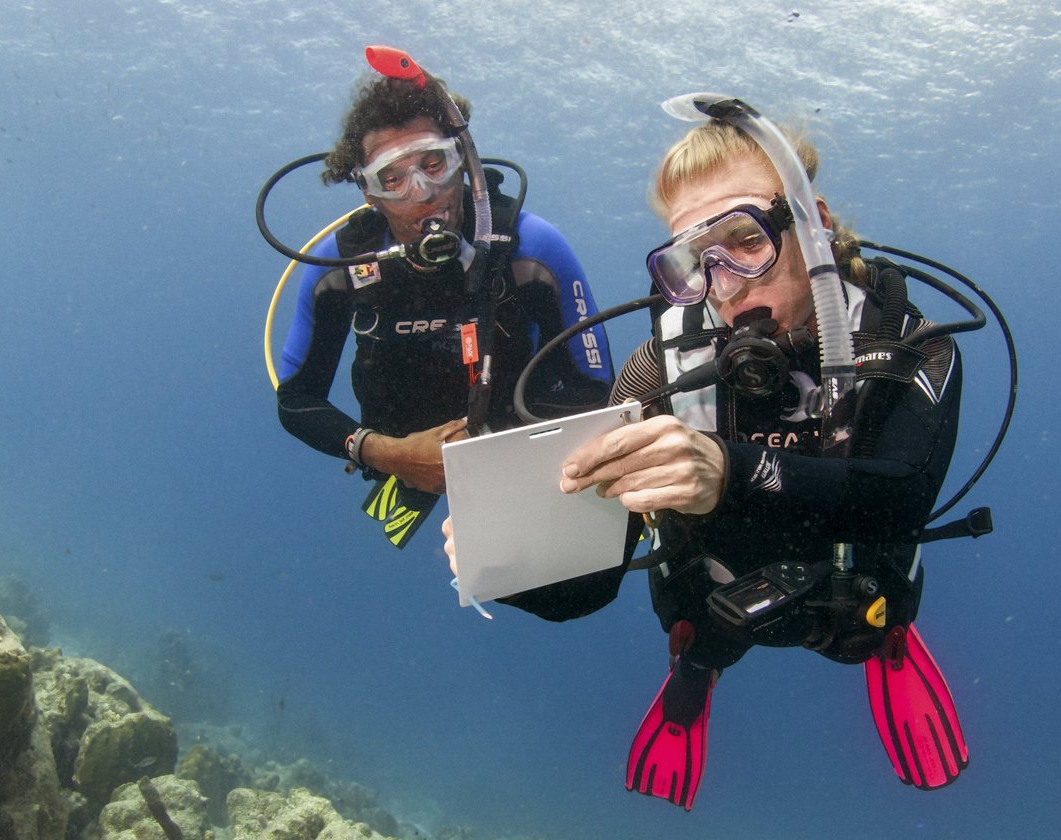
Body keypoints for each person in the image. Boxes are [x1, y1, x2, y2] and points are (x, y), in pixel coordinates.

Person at [444, 105, 976, 808]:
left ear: (809, 222)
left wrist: (731, 469)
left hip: (855, 600)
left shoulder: (912, 343)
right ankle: (694, 677)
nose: (727, 285)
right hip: (716, 599)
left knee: (872, 618)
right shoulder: (657, 369)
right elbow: (593, 584)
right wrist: (511, 563)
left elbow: (905, 494)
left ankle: (891, 651)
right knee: (699, 628)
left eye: (745, 240)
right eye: (695, 261)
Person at [275, 63, 612, 547]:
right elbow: (296, 400)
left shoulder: (530, 246)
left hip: (515, 444)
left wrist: (480, 452)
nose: (423, 192)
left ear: (463, 161)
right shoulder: (338, 265)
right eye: (393, 178)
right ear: (369, 194)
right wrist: (384, 453)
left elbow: (594, 386)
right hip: (395, 455)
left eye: (433, 164)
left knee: (569, 596)